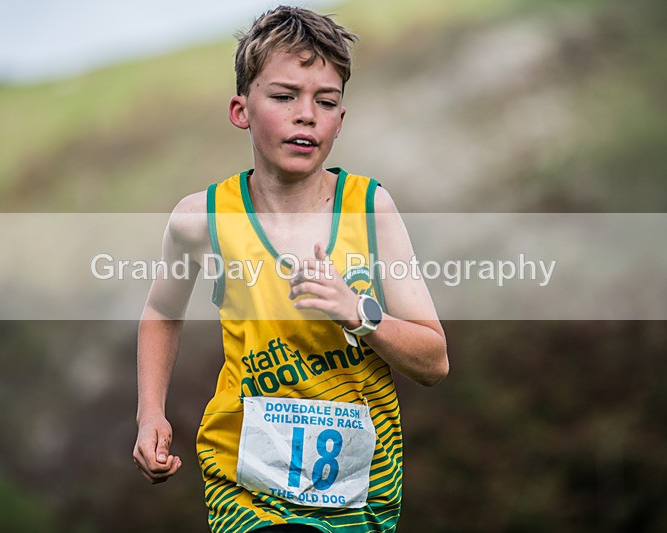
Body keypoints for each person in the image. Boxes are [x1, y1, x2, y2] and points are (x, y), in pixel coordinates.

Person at [133, 6, 449, 532]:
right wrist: (151, 414)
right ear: (242, 110)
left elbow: (434, 362)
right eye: (284, 97)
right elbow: (161, 311)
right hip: (244, 486)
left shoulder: (370, 210)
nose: (307, 115)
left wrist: (357, 313)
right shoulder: (201, 220)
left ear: (340, 121)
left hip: (362, 491)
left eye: (325, 102)